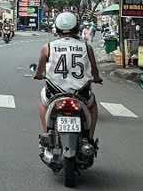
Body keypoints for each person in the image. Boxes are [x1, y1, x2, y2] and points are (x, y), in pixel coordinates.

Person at [34, 11, 102, 147]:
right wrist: (96, 78)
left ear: (57, 29)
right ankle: (90, 138)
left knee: (43, 101)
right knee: (93, 105)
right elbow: (94, 70)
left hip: (55, 94)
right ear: (77, 28)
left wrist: (39, 75)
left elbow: (39, 70)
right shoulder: (86, 47)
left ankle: (46, 134)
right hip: (81, 94)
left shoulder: (48, 47)